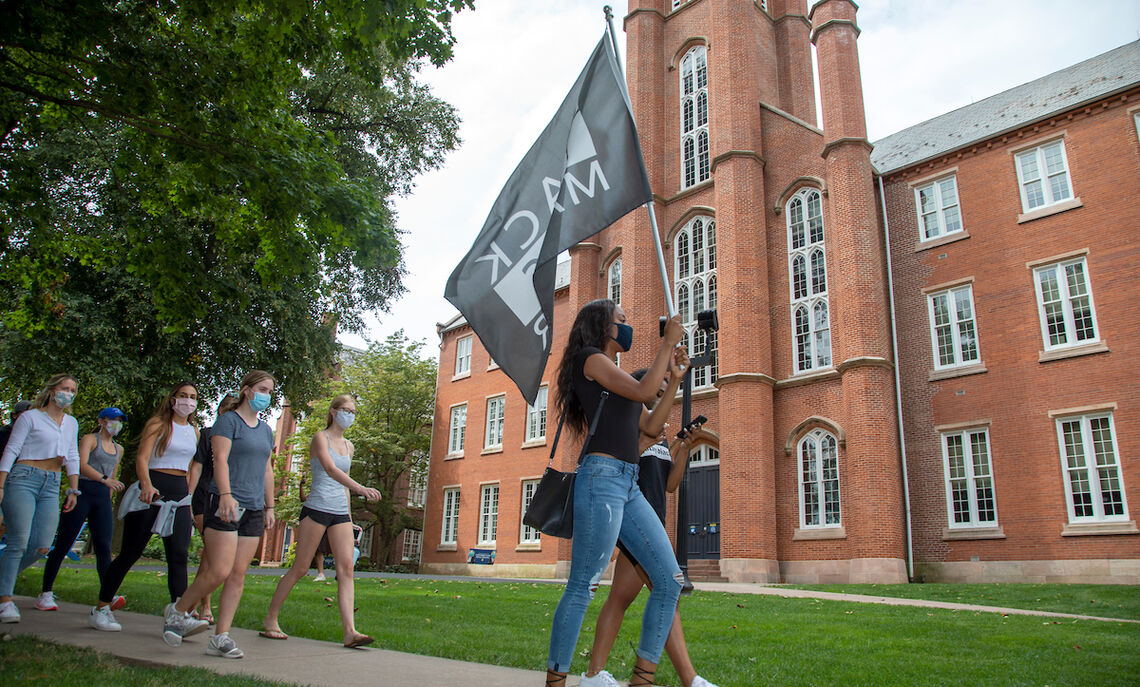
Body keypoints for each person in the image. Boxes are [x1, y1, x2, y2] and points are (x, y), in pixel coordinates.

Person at [545, 299, 689, 687]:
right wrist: (666, 344)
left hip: (628, 482)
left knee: (668, 580)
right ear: (603, 326)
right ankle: (556, 681)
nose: (627, 327)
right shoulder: (590, 360)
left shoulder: (618, 377)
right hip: (601, 479)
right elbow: (645, 391)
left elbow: (652, 424)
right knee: (583, 585)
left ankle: (642, 679)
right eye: (621, 321)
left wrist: (673, 378)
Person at [582, 370, 718, 687]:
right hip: (635, 522)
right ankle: (689, 679)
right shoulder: (629, 423)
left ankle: (593, 674)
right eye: (659, 388)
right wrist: (645, 441)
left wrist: (683, 447)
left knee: (620, 598)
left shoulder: (658, 433)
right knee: (665, 592)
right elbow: (619, 464)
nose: (663, 393)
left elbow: (669, 484)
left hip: (652, 522)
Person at [164, 370, 277, 659]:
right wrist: (225, 495)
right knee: (218, 570)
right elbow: (221, 460)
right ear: (247, 390)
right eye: (262, 389)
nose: (267, 395)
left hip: (253, 507)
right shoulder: (227, 422)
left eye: (270, 390)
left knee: (238, 574)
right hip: (224, 502)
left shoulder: (266, 430)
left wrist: (270, 506)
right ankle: (177, 611)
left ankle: (221, 637)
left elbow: (267, 469)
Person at [261, 394, 381, 647]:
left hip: (340, 514)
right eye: (346, 410)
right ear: (333, 411)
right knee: (301, 568)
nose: (350, 415)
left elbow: (344, 483)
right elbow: (330, 470)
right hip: (316, 508)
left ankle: (350, 632)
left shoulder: (349, 446)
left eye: (353, 412)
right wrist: (362, 488)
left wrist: (349, 516)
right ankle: (270, 619)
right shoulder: (320, 438)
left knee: (346, 569)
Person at [90, 383, 203, 633]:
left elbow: (191, 464)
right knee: (130, 553)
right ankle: (101, 608)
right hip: (152, 489)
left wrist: (189, 494)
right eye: (183, 396)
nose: (188, 401)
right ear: (173, 399)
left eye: (193, 397)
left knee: (178, 556)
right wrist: (146, 485)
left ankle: (178, 614)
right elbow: (142, 457)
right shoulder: (157, 424)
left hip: (179, 495)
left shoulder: (194, 431)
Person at [0, 374, 82, 624]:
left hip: (53, 483)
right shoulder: (30, 417)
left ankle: (3, 579)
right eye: (64, 388)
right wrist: (1, 484)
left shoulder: (71, 423)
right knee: (18, 541)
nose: (68, 393)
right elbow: (12, 449)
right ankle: (5, 601)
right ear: (51, 390)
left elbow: (72, 455)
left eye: (72, 390)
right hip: (24, 478)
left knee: (42, 545)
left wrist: (73, 489)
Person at [38, 407, 129, 612]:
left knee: (104, 547)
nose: (116, 424)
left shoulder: (119, 448)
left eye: (120, 420)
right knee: (64, 542)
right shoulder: (90, 439)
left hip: (102, 498)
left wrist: (109, 494)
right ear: (101, 421)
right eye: (112, 420)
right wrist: (105, 480)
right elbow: (81, 465)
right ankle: (45, 592)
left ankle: (108, 595)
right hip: (83, 491)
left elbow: (113, 474)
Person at [187, 393, 242, 625]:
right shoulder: (208, 434)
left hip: (229, 497)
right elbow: (197, 467)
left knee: (212, 557)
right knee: (211, 554)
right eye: (228, 411)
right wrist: (187, 499)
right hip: (205, 496)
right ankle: (202, 605)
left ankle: (190, 605)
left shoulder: (240, 436)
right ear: (221, 412)